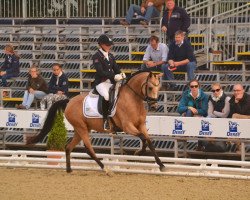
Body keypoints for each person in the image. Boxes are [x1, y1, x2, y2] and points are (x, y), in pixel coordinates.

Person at [92, 34, 126, 130]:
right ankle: (105, 120)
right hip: (101, 83)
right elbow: (101, 72)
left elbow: (116, 68)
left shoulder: (110, 56)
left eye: (110, 45)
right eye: (107, 45)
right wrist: (114, 76)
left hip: (111, 82)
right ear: (101, 45)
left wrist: (121, 74)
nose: (109, 46)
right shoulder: (96, 56)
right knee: (106, 97)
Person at [198, 83, 230, 152]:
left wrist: (214, 112)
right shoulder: (211, 98)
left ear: (221, 89)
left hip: (224, 122)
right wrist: (218, 113)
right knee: (205, 121)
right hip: (215, 121)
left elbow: (225, 115)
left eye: (217, 90)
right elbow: (209, 113)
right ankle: (202, 145)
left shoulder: (227, 99)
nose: (215, 92)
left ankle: (210, 144)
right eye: (213, 90)